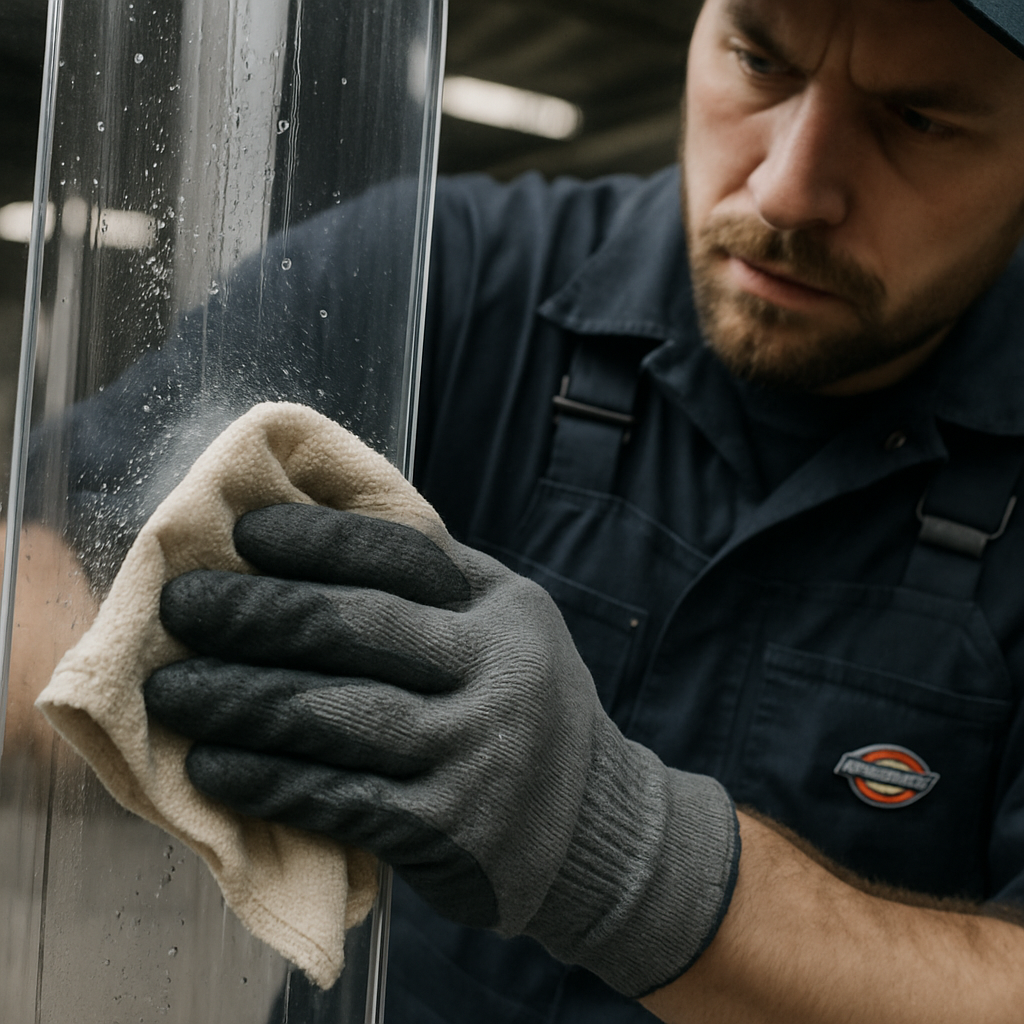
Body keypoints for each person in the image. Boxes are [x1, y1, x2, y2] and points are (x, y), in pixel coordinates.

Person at [31, 0, 1024, 1020]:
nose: (786, 188)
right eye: (757, 60)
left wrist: (628, 855)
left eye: (916, 119)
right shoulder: (439, 278)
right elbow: (44, 571)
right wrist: (156, 648)